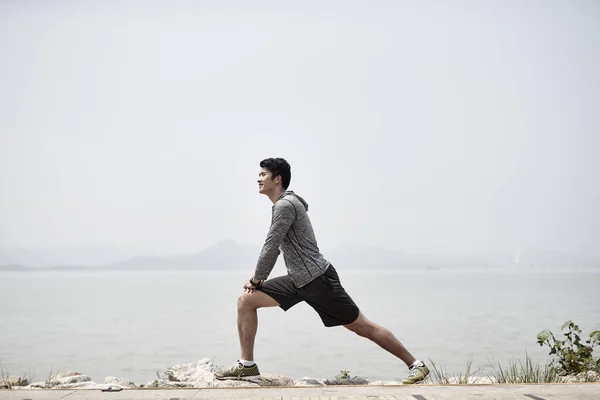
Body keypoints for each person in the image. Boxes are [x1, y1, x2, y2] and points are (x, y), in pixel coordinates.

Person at [214, 157, 430, 384]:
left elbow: (271, 245)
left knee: (361, 326)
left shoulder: (285, 206)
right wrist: (258, 281)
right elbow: (275, 247)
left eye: (263, 174)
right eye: (258, 174)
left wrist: (257, 279)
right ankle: (247, 365)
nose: (258, 178)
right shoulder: (284, 204)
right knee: (246, 301)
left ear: (277, 179)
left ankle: (416, 365)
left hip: (318, 281)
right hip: (298, 280)